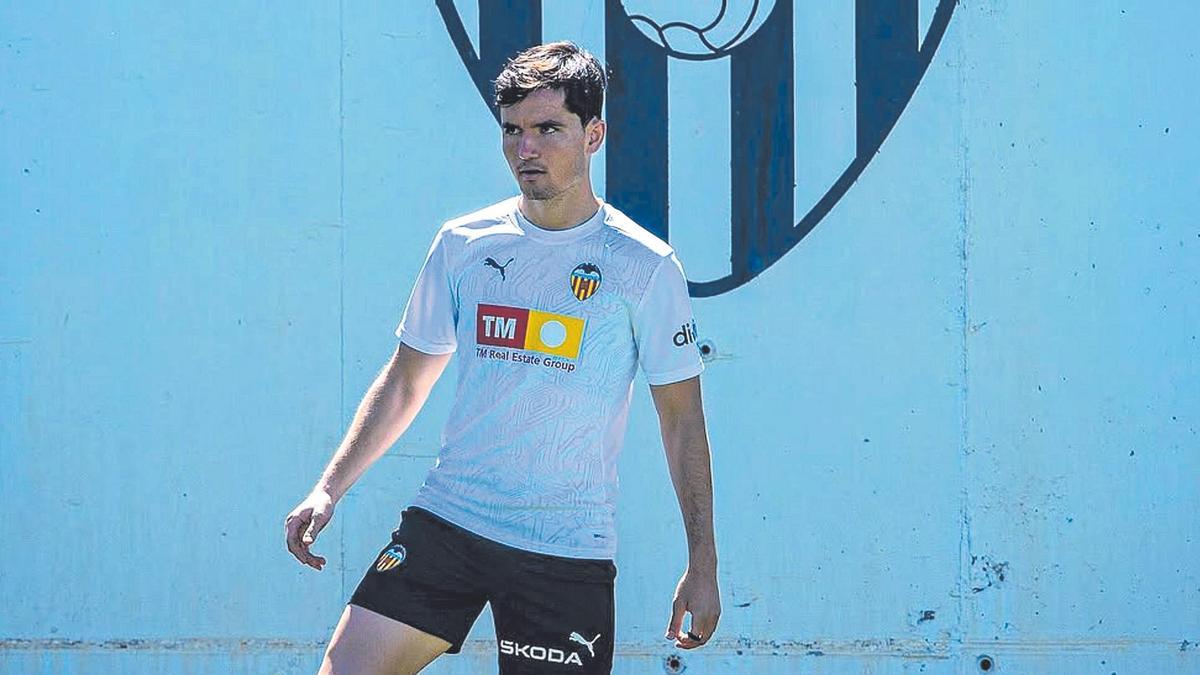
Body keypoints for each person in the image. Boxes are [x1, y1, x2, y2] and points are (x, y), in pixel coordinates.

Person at [284, 41, 720, 674]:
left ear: (593, 134)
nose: (526, 149)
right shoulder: (463, 244)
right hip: (449, 523)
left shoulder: (645, 267)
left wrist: (702, 562)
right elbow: (407, 382)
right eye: (512, 130)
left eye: (548, 129)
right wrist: (328, 488)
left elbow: (682, 421)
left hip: (564, 550)